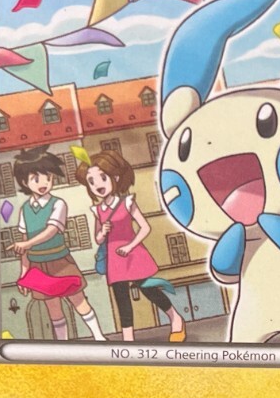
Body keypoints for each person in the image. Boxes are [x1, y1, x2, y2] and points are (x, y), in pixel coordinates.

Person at [77, 150, 187, 343]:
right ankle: (128, 339)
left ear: (116, 177)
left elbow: (145, 227)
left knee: (148, 289)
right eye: (91, 181)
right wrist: (103, 232)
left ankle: (175, 318)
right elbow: (98, 239)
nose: (97, 185)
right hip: (114, 258)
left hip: (132, 253)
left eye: (102, 178)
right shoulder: (98, 210)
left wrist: (130, 246)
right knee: (121, 298)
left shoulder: (127, 202)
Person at [11, 147, 106, 342]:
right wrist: (23, 274)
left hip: (60, 261)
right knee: (53, 308)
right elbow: (24, 249)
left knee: (78, 300)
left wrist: (27, 243)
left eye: (48, 177)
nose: (43, 183)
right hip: (38, 265)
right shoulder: (25, 210)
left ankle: (99, 337)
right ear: (24, 182)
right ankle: (63, 344)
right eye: (35, 179)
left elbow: (52, 230)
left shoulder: (58, 203)